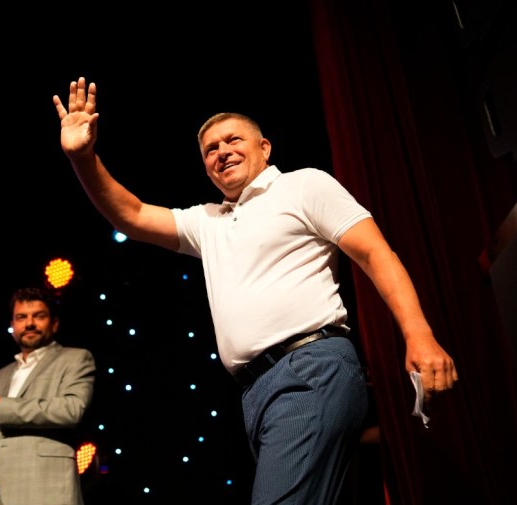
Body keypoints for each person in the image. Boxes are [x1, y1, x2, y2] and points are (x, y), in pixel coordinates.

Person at [52, 76, 458, 504]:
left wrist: (418, 333)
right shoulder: (207, 221)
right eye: (211, 149)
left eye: (233, 140)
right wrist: (83, 158)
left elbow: (376, 254)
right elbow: (131, 214)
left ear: (265, 147)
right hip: (255, 392)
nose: (222, 151)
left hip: (310, 368)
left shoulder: (302, 186)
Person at [0, 286, 96, 505]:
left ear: (55, 323)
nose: (29, 323)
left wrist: (1, 406)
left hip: (43, 491)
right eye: (21, 317)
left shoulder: (75, 359)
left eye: (39, 316)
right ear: (13, 326)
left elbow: (71, 409)